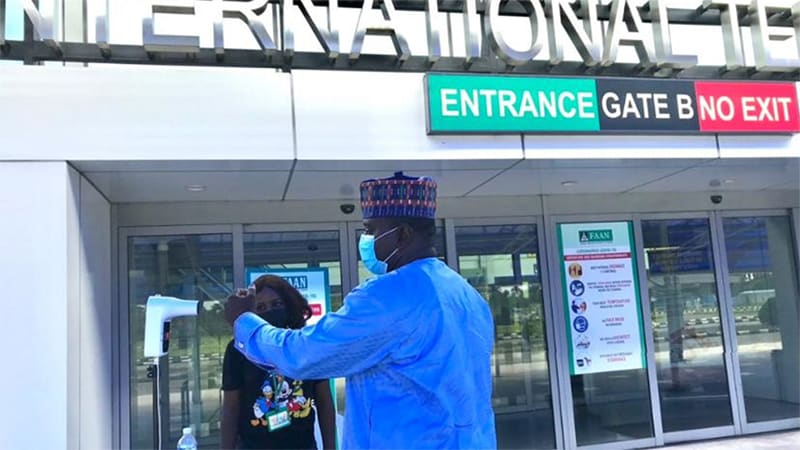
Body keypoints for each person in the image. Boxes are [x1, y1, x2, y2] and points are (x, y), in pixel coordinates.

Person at [224, 172, 497, 449]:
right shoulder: (466, 295)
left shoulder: (388, 297)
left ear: (402, 234)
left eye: (371, 230)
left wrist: (244, 322)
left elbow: (304, 356)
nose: (366, 240)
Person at [221, 275, 337, 450]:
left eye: (276, 304)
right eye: (261, 308)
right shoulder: (239, 349)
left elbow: (324, 400)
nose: (270, 311)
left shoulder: (304, 344)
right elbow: (231, 407)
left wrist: (330, 447)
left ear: (289, 304)